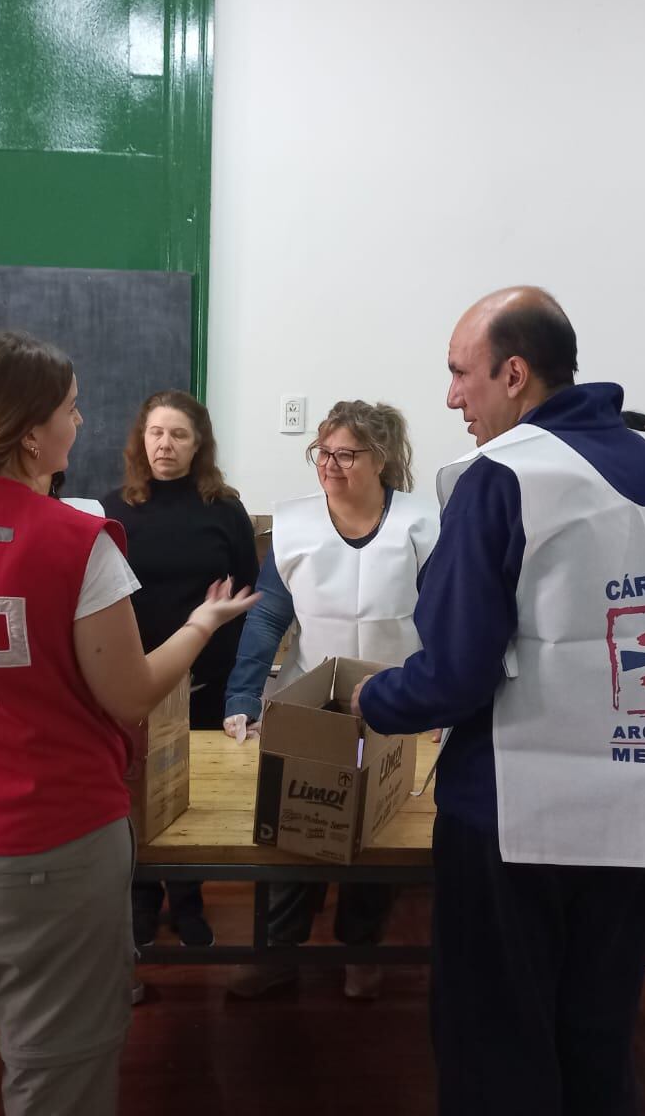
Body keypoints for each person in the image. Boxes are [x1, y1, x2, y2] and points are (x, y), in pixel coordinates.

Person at [350, 286, 645, 1115]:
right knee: (597, 1035)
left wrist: (372, 700)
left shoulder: (503, 477)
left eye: (461, 374)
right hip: (628, 816)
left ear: (516, 373)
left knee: (497, 1042)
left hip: (509, 815)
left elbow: (455, 675)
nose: (451, 396)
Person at [0, 332, 257, 1116]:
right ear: (34, 433)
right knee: (56, 1081)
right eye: (72, 409)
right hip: (53, 860)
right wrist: (202, 625)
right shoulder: (80, 541)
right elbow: (129, 695)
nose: (81, 423)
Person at [221, 399, 439, 1001]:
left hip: (396, 699)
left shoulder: (425, 524)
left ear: (383, 458)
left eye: (348, 454)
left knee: (377, 827)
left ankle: (360, 947)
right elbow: (267, 617)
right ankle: (278, 949)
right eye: (324, 453)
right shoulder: (294, 524)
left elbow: (447, 618)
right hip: (309, 698)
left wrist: (445, 702)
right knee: (293, 820)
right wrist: (242, 693)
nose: (331, 466)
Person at [101, 391, 259, 950]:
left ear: (199, 445)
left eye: (179, 435)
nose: (165, 444)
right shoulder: (112, 509)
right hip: (132, 681)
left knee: (191, 792)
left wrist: (238, 679)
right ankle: (142, 898)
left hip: (206, 682)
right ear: (141, 441)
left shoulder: (225, 509)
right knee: (136, 791)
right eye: (156, 433)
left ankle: (189, 897)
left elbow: (245, 591)